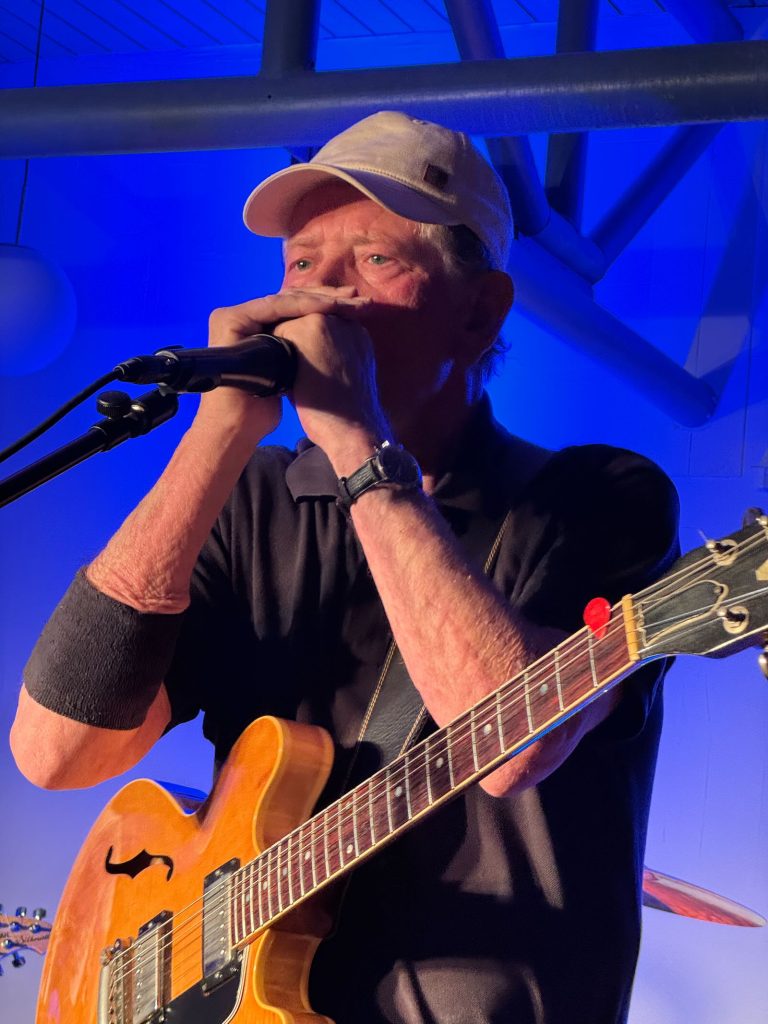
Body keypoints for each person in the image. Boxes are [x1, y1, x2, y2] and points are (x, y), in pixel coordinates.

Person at [11, 111, 679, 1023]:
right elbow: (55, 753)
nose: (319, 295)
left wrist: (361, 446)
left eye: (372, 258)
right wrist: (216, 437)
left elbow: (514, 748)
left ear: (480, 311)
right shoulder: (257, 498)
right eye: (301, 263)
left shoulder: (599, 497)